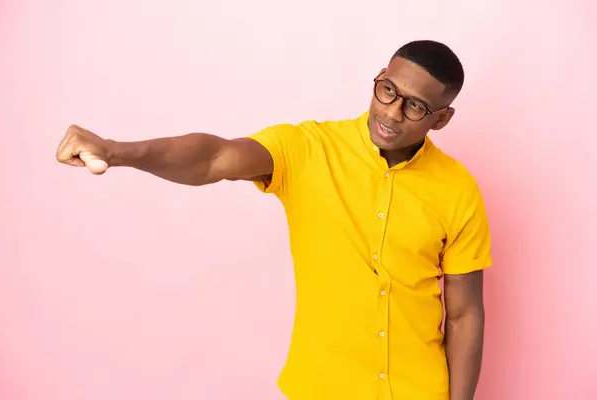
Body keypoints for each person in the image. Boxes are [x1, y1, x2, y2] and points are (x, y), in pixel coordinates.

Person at [55, 40, 492, 400]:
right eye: (387, 91)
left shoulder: (458, 189)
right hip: (320, 388)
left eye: (416, 107)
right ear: (379, 79)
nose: (392, 113)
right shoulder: (306, 149)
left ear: (442, 118)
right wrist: (116, 151)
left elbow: (465, 314)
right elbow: (215, 157)